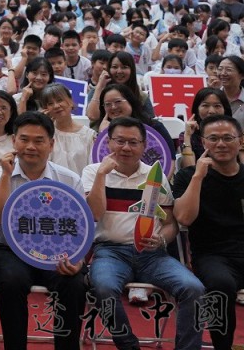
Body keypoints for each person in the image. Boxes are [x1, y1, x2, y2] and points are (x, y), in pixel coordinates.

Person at [82, 117, 205, 350]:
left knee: (194, 288)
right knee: (103, 288)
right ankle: (129, 345)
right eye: (119, 141)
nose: (126, 147)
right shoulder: (92, 172)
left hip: (152, 254)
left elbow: (171, 224)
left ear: (144, 145)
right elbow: (95, 214)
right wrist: (101, 175)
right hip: (110, 252)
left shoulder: (155, 175)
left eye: (133, 142)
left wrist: (162, 238)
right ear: (108, 143)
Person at [0, 111, 88, 350]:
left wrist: (78, 260)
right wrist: (6, 177)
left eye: (39, 140)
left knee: (74, 283)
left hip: (57, 251)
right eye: (24, 139)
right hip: (10, 249)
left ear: (51, 144)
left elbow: (82, 227)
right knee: (11, 282)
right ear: (13, 141)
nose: (30, 146)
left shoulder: (69, 180)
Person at [172, 114, 244, 350]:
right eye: (213, 138)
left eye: (227, 138)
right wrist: (198, 176)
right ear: (203, 143)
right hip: (212, 255)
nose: (221, 144)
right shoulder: (187, 176)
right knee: (219, 286)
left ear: (240, 141)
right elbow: (183, 218)